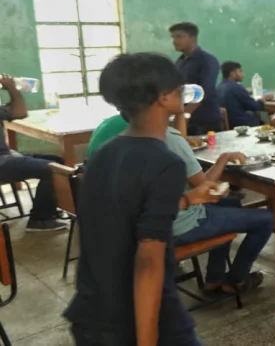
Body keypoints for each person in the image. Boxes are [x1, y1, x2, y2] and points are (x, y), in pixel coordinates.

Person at [65, 53, 224, 346]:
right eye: (179, 88)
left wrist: (187, 200)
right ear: (163, 98)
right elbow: (148, 263)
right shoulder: (164, 162)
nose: (184, 93)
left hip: (91, 310)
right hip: (143, 319)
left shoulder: (104, 154)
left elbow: (127, 215)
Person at [169, 126, 274, 297]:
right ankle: (235, 280)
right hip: (182, 223)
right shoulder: (172, 139)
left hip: (158, 223)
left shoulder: (140, 134)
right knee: (267, 219)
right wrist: (224, 158)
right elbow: (203, 185)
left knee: (231, 204)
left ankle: (214, 279)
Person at [0, 74, 65, 231]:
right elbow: (20, 112)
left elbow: (19, 112)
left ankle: (47, 209)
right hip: (2, 162)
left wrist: (11, 88)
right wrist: (12, 88)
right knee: (53, 169)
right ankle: (40, 219)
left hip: (6, 156)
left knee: (57, 161)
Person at [170, 22, 222, 134]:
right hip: (185, 121)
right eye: (173, 37)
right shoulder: (179, 62)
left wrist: (183, 115)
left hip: (205, 122)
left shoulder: (207, 60)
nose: (174, 41)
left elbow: (204, 93)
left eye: (179, 36)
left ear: (193, 38)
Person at [216, 61, 275, 127]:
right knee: (265, 120)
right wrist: (263, 99)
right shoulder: (236, 87)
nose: (243, 74)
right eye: (240, 71)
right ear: (232, 73)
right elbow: (254, 106)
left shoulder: (219, 87)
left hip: (228, 124)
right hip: (242, 124)